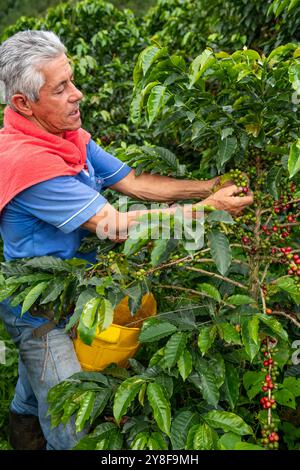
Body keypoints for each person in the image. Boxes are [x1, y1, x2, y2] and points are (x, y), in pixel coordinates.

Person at [0, 30, 253, 450]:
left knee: (33, 390)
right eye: (61, 88)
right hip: (40, 312)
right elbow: (113, 225)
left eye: (72, 81)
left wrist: (207, 186)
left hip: (79, 293)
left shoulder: (67, 137)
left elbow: (133, 182)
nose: (77, 95)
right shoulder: (29, 163)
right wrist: (209, 210)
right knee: (70, 411)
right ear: (23, 103)